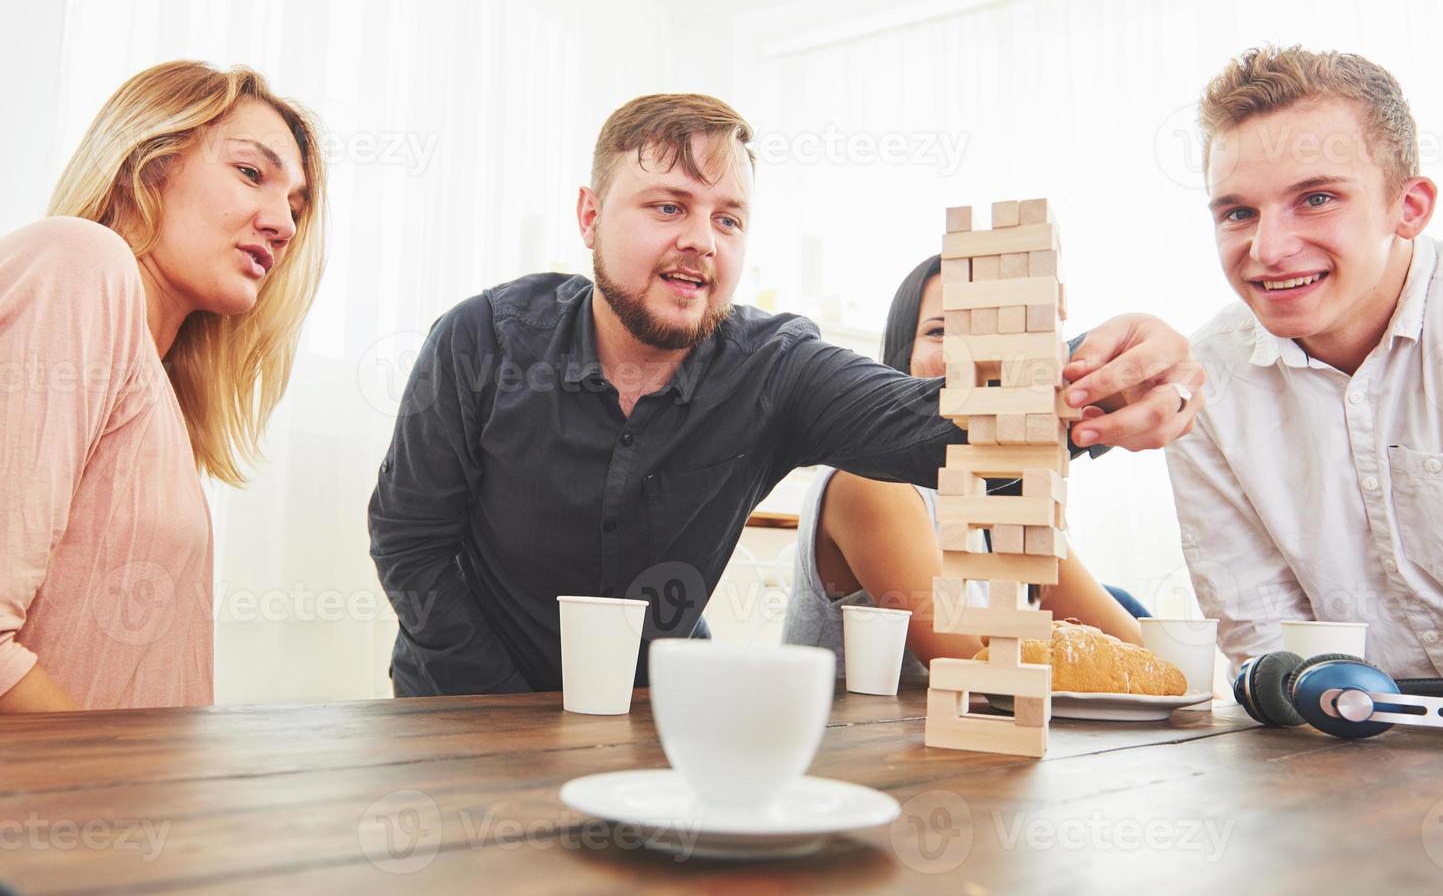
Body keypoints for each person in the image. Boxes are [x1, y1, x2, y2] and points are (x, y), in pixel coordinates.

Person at [369, 92, 1203, 698]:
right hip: (460, 703)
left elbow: (928, 426)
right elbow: (409, 541)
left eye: (727, 219)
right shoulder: (480, 339)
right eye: (668, 206)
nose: (700, 241)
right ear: (589, 215)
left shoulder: (773, 366)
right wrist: (498, 702)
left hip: (651, 713)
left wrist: (1091, 374)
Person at [0, 61, 327, 711]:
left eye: (294, 208)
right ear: (147, 165)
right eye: (251, 173)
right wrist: (124, 804)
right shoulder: (79, 263)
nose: (285, 227)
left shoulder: (161, 396)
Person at [1165, 46, 1443, 678]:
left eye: (1318, 198)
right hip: (1354, 749)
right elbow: (1267, 645)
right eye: (1239, 212)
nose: (1268, 250)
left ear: (1407, 207)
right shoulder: (1205, 381)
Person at [782, 255, 1147, 677]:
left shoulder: (1004, 486)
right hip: (855, 739)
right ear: (903, 355)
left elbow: (1134, 654)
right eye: (939, 331)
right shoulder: (869, 482)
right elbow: (976, 668)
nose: (968, 354)